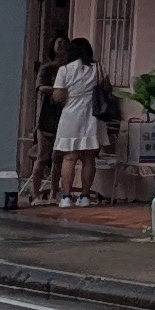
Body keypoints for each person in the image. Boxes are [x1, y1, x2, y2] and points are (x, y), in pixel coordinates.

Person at [47, 37, 109, 205]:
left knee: (69, 157)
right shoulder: (98, 68)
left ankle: (66, 197)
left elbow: (58, 96)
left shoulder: (65, 70)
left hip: (71, 115)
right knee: (89, 157)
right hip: (92, 116)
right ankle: (85, 196)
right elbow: (106, 88)